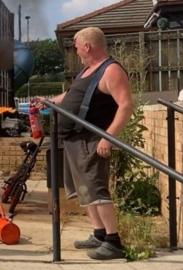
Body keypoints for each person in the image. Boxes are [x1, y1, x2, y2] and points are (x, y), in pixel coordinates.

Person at [47, 27, 134, 260]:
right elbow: (70, 95)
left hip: (91, 140)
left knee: (96, 191)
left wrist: (108, 137)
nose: (76, 51)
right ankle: (99, 234)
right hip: (74, 140)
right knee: (83, 192)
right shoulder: (87, 71)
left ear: (87, 46)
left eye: (76, 46)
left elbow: (126, 105)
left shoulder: (111, 71)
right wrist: (48, 102)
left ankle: (114, 242)